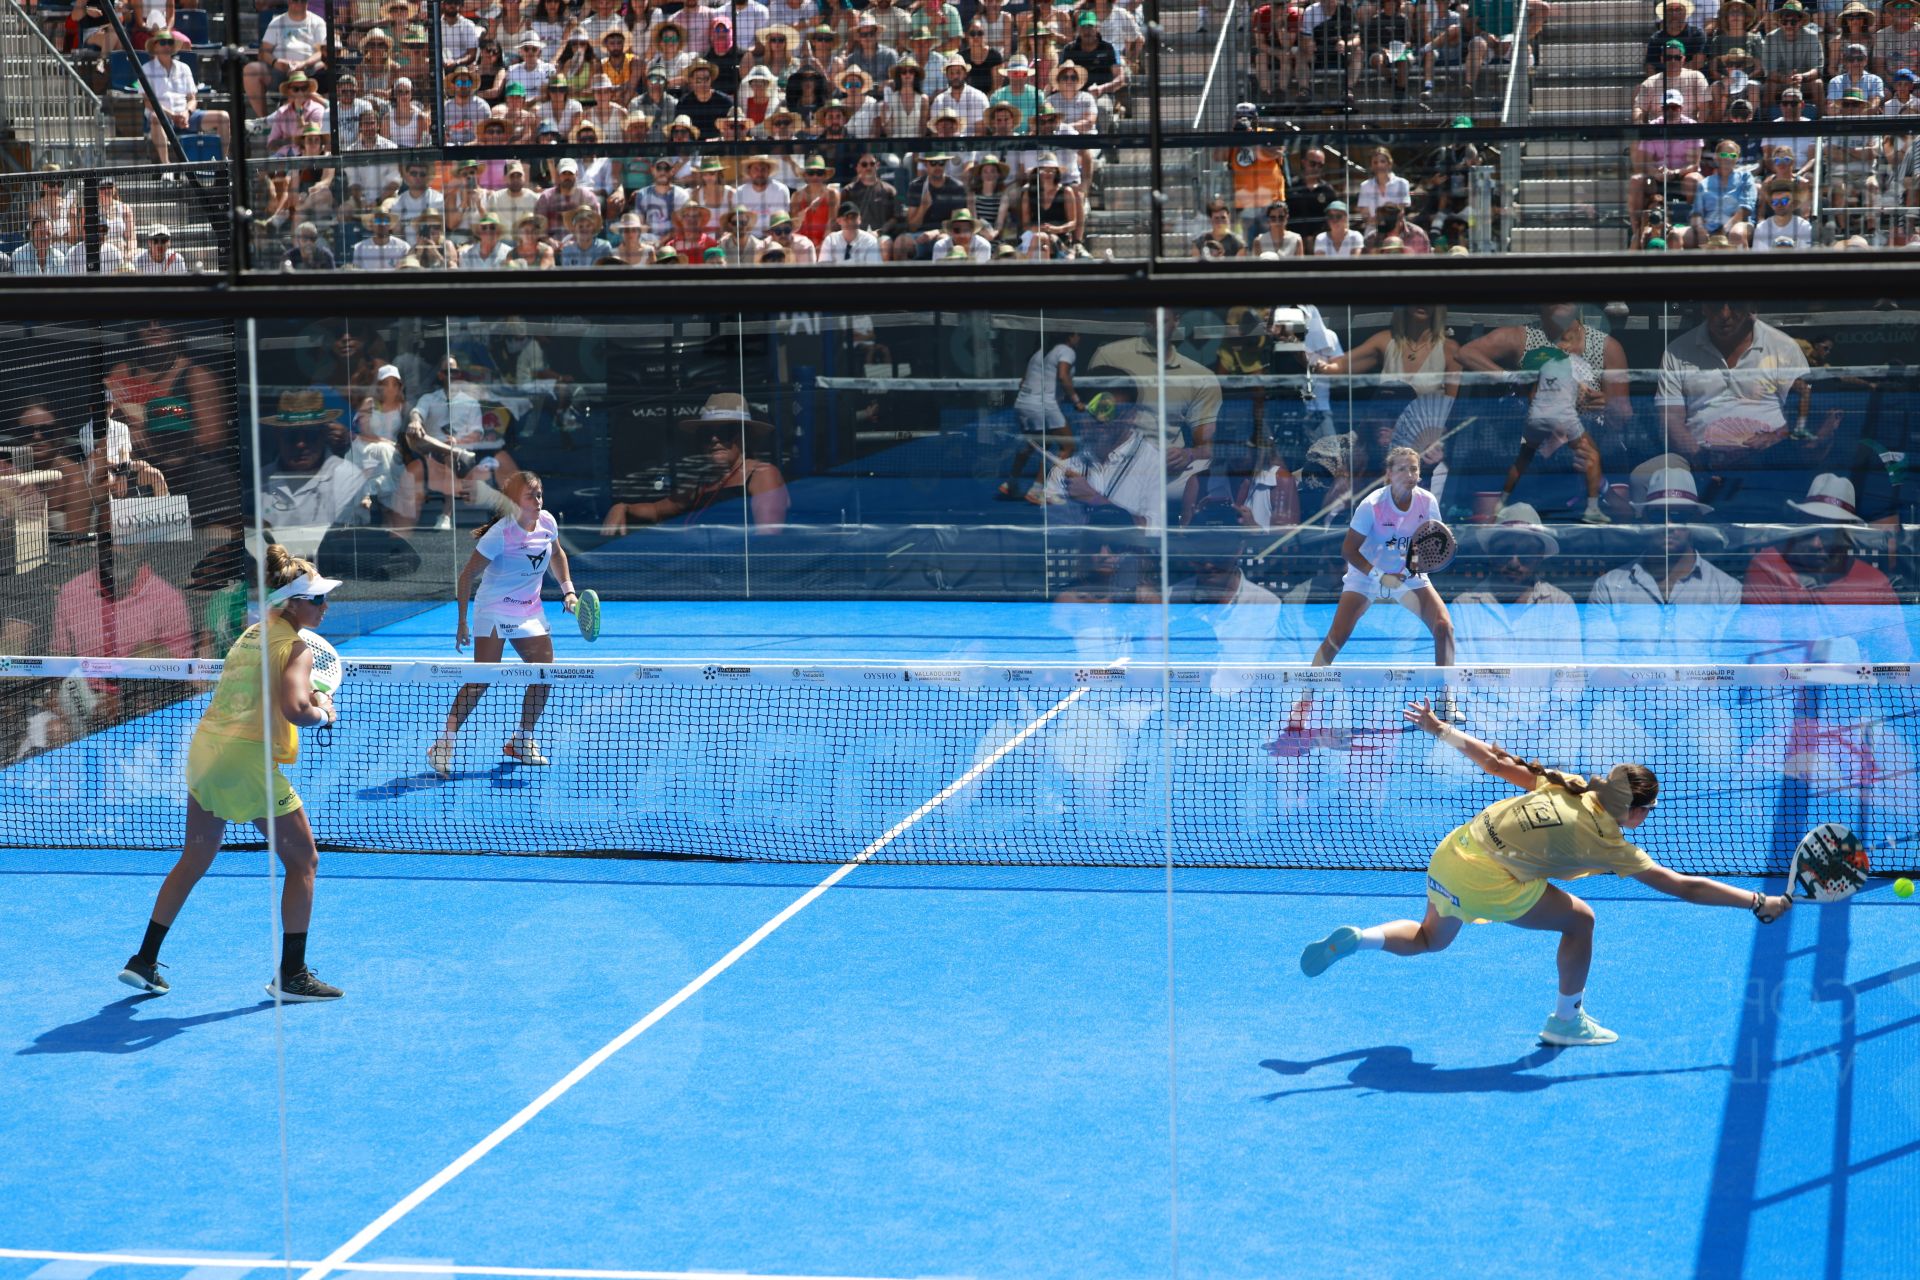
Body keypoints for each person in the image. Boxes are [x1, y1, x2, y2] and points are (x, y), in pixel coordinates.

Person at [1298, 699, 1794, 1046]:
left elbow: (1493, 760)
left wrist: (1441, 729)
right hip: (1487, 879)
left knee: (1431, 938)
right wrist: (1757, 902)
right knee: (1581, 920)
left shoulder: (1573, 786)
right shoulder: (1610, 843)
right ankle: (1566, 1021)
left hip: (1454, 850)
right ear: (1636, 810)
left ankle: (1361, 938)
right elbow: (1684, 886)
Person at [118, 545, 344, 1002]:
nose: (325, 606)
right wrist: (324, 712)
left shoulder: (252, 635)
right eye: (317, 599)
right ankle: (293, 975)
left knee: (194, 859)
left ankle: (143, 960)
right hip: (247, 764)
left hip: (206, 754)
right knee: (304, 862)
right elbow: (296, 709)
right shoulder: (297, 648)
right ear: (294, 603)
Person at [430, 471, 578, 777]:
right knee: (481, 678)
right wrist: (461, 622)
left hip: (529, 610)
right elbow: (467, 575)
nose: (537, 502)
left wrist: (569, 592)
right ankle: (444, 745)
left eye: (539, 495)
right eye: (530, 496)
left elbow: (557, 553)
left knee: (544, 673)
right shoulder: (500, 534)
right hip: (494, 609)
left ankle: (522, 740)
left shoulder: (548, 522)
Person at [1459, 303, 1629, 525]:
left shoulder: (1605, 347)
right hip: (1538, 456)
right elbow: (1466, 353)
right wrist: (1512, 378)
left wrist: (1607, 403)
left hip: (1584, 449)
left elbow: (1622, 416)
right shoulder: (1523, 338)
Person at [1307, 443, 1455, 668]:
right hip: (1366, 576)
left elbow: (1427, 544)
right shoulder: (1371, 505)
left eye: (1414, 469)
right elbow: (1348, 550)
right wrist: (1381, 577)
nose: (1409, 474)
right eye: (1402, 469)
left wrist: (1409, 569)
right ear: (1389, 474)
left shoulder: (1427, 502)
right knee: (1336, 639)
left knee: (1444, 626)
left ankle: (1446, 698)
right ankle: (1306, 699)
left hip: (1408, 575)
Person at [599, 393, 790, 534]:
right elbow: (658, 510)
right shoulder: (704, 482)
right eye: (707, 434)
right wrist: (623, 507)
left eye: (725, 432)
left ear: (744, 436)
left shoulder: (761, 474)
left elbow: (768, 537)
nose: (715, 439)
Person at [1000, 330, 1083, 500]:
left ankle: (1010, 483)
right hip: (1044, 406)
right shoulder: (1066, 351)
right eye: (1077, 334)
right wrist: (1076, 401)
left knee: (1032, 445)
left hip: (1023, 403)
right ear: (1070, 337)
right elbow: (1063, 375)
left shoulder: (1039, 353)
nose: (1079, 338)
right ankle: (1038, 490)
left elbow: (1023, 381)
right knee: (1067, 447)